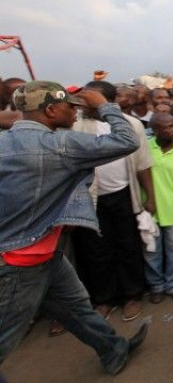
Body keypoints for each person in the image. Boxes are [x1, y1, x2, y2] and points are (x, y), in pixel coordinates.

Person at [0, 81, 146, 375]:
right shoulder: (59, 144)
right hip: (20, 262)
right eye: (71, 106)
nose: (77, 112)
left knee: (77, 309)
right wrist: (105, 106)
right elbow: (127, 141)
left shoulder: (4, 142)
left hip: (42, 252)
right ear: (51, 110)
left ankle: (113, 350)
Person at [71, 80, 156, 322]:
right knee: (96, 251)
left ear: (105, 101)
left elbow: (143, 164)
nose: (83, 102)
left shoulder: (131, 125)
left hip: (123, 194)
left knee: (128, 246)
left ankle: (132, 295)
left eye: (89, 98)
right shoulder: (75, 124)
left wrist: (150, 196)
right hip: (90, 199)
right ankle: (104, 299)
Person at [144, 112, 173, 303]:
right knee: (151, 251)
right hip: (150, 209)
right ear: (155, 130)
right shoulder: (145, 148)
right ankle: (156, 286)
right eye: (167, 127)